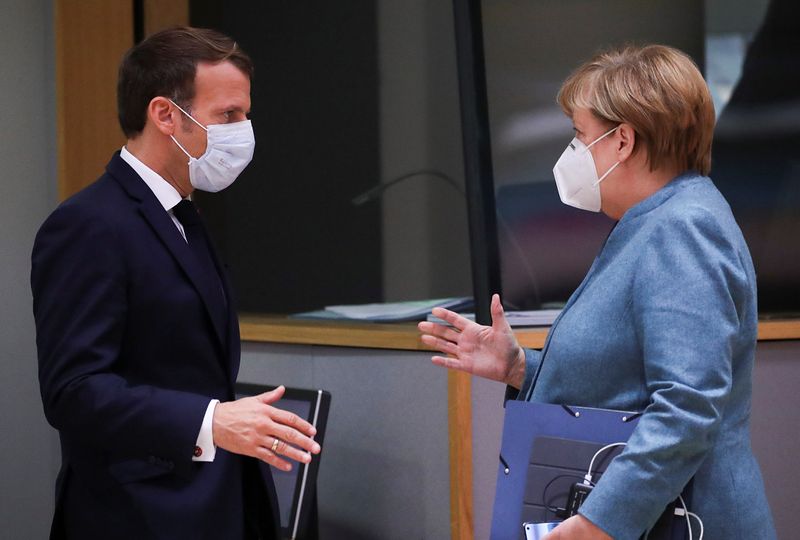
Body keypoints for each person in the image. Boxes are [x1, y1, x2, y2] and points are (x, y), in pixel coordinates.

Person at [419, 45, 776, 539]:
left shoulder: (683, 228)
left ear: (623, 140)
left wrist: (599, 521)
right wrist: (519, 367)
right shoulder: (653, 220)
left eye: (580, 135)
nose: (573, 152)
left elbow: (688, 405)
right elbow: (626, 376)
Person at [31, 27, 320, 540]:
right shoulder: (89, 224)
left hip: (215, 503)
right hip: (136, 514)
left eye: (245, 115)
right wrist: (210, 422)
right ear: (165, 114)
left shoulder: (184, 215)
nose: (243, 131)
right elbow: (73, 392)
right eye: (228, 116)